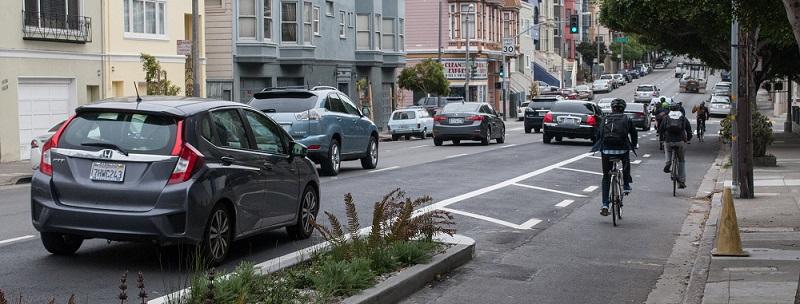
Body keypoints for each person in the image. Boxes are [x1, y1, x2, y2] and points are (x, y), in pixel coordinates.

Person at [591, 98, 638, 216]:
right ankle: (626, 185)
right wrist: (633, 144)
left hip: (606, 150)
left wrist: (598, 145)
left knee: (606, 176)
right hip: (622, 149)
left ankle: (605, 204)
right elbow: (633, 133)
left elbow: (599, 134)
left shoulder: (605, 118)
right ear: (624, 108)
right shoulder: (627, 119)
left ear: (612, 108)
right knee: (626, 162)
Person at [659, 103, 693, 188]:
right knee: (681, 160)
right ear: (679, 109)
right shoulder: (683, 118)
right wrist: (688, 139)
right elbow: (689, 130)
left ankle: (668, 162)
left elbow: (661, 129)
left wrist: (661, 139)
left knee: (667, 149)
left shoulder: (666, 117)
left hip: (668, 140)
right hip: (680, 141)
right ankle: (681, 181)